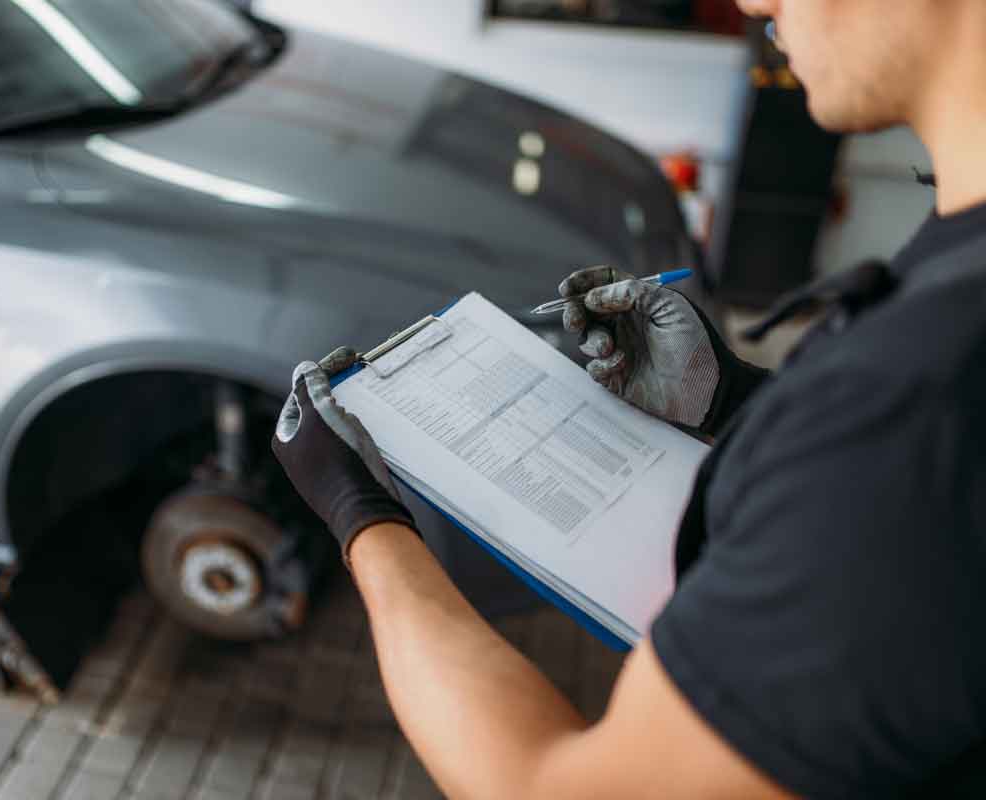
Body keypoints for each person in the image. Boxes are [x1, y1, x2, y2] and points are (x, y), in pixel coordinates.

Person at [271, 0, 986, 796]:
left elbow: (549, 787)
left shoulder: (920, 398)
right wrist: (735, 404)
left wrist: (360, 514)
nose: (753, 2)